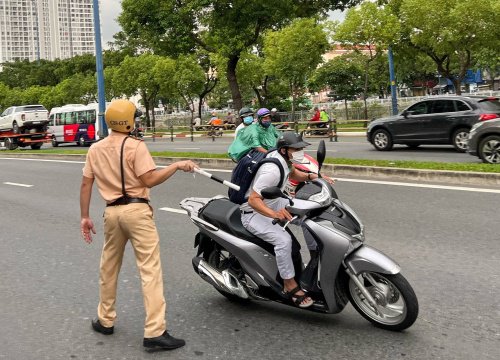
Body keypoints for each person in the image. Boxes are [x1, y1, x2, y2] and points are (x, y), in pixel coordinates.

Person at [79, 99, 198, 351]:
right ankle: (154, 331)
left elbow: (86, 184)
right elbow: (149, 179)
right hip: (137, 210)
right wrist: (176, 165)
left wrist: (85, 216)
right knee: (149, 270)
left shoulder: (95, 148)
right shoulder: (135, 146)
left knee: (108, 267)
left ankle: (105, 320)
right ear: (128, 121)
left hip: (111, 213)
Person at [240, 132, 334, 308]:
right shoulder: (271, 170)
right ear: (284, 150)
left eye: (302, 148)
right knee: (284, 240)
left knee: (311, 214)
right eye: (297, 149)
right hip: (253, 213)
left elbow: (293, 174)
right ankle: (289, 284)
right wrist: (275, 214)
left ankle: (315, 258)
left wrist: (315, 177)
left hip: (274, 201)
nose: (301, 152)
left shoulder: (284, 160)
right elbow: (253, 200)